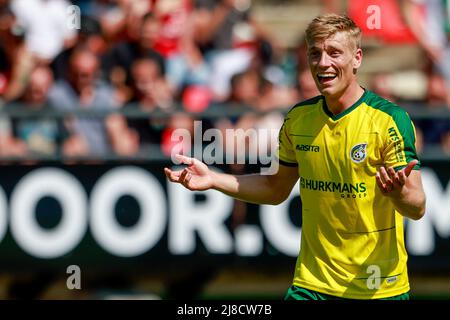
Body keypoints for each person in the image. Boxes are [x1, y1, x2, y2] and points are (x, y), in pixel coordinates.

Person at [164, 13, 427, 300]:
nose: (323, 63)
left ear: (357, 58)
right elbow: (275, 188)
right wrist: (214, 179)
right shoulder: (299, 119)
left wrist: (399, 194)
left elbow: (417, 207)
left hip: (378, 289)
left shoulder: (390, 120)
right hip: (312, 286)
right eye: (315, 54)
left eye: (334, 53)